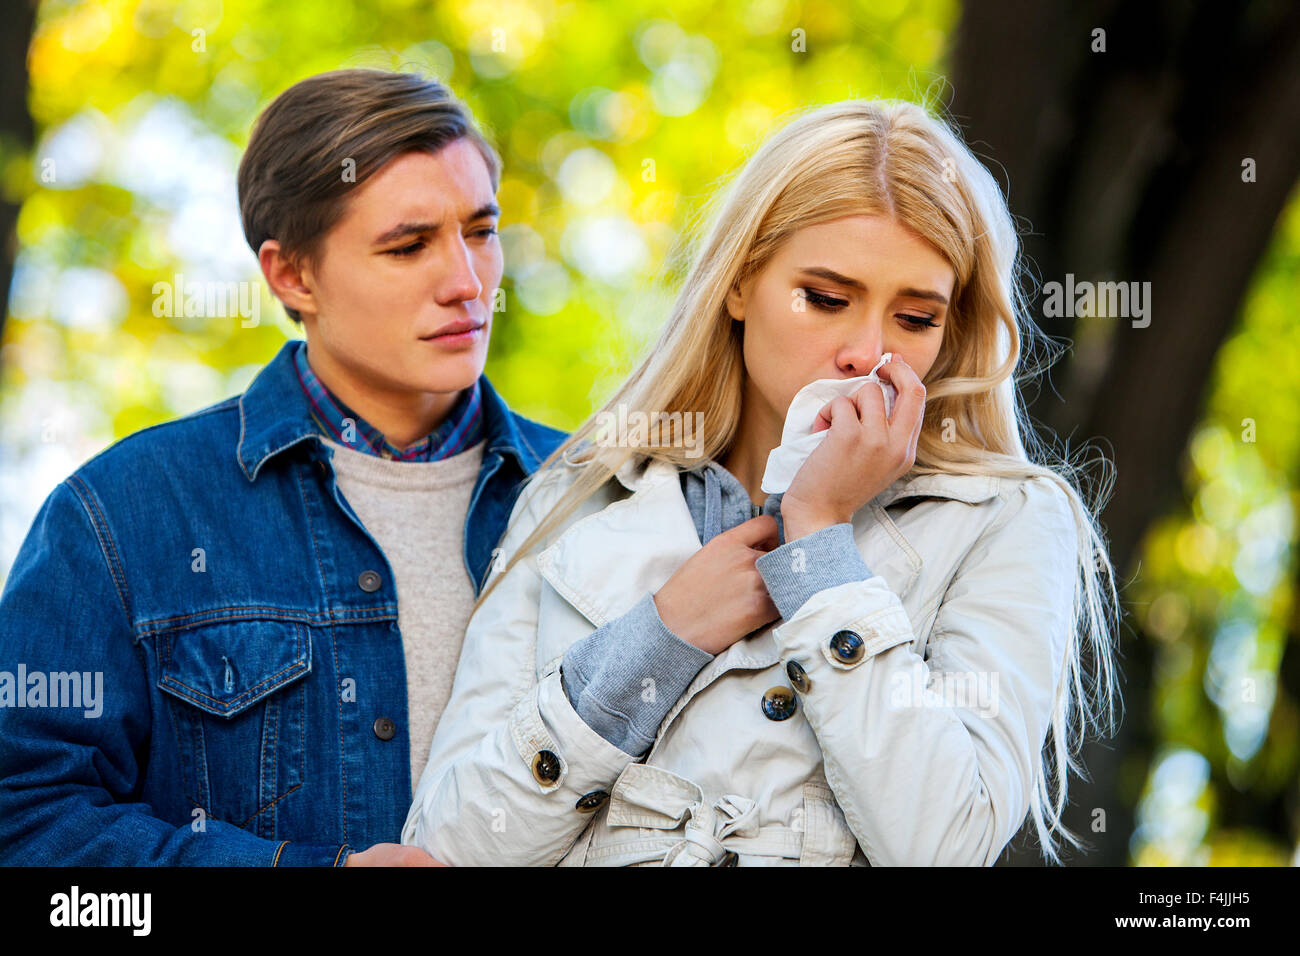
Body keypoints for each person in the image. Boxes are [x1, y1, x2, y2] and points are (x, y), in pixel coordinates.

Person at [402, 98, 1122, 866]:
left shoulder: (1007, 520)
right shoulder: (577, 497)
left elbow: (943, 843)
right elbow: (446, 850)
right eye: (827, 299)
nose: (867, 352)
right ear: (741, 284)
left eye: (915, 318)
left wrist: (819, 542)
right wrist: (663, 634)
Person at [0, 69, 564, 866]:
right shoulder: (121, 518)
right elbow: (24, 826)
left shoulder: (600, 492)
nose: (467, 284)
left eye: (480, 230)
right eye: (409, 246)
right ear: (292, 276)